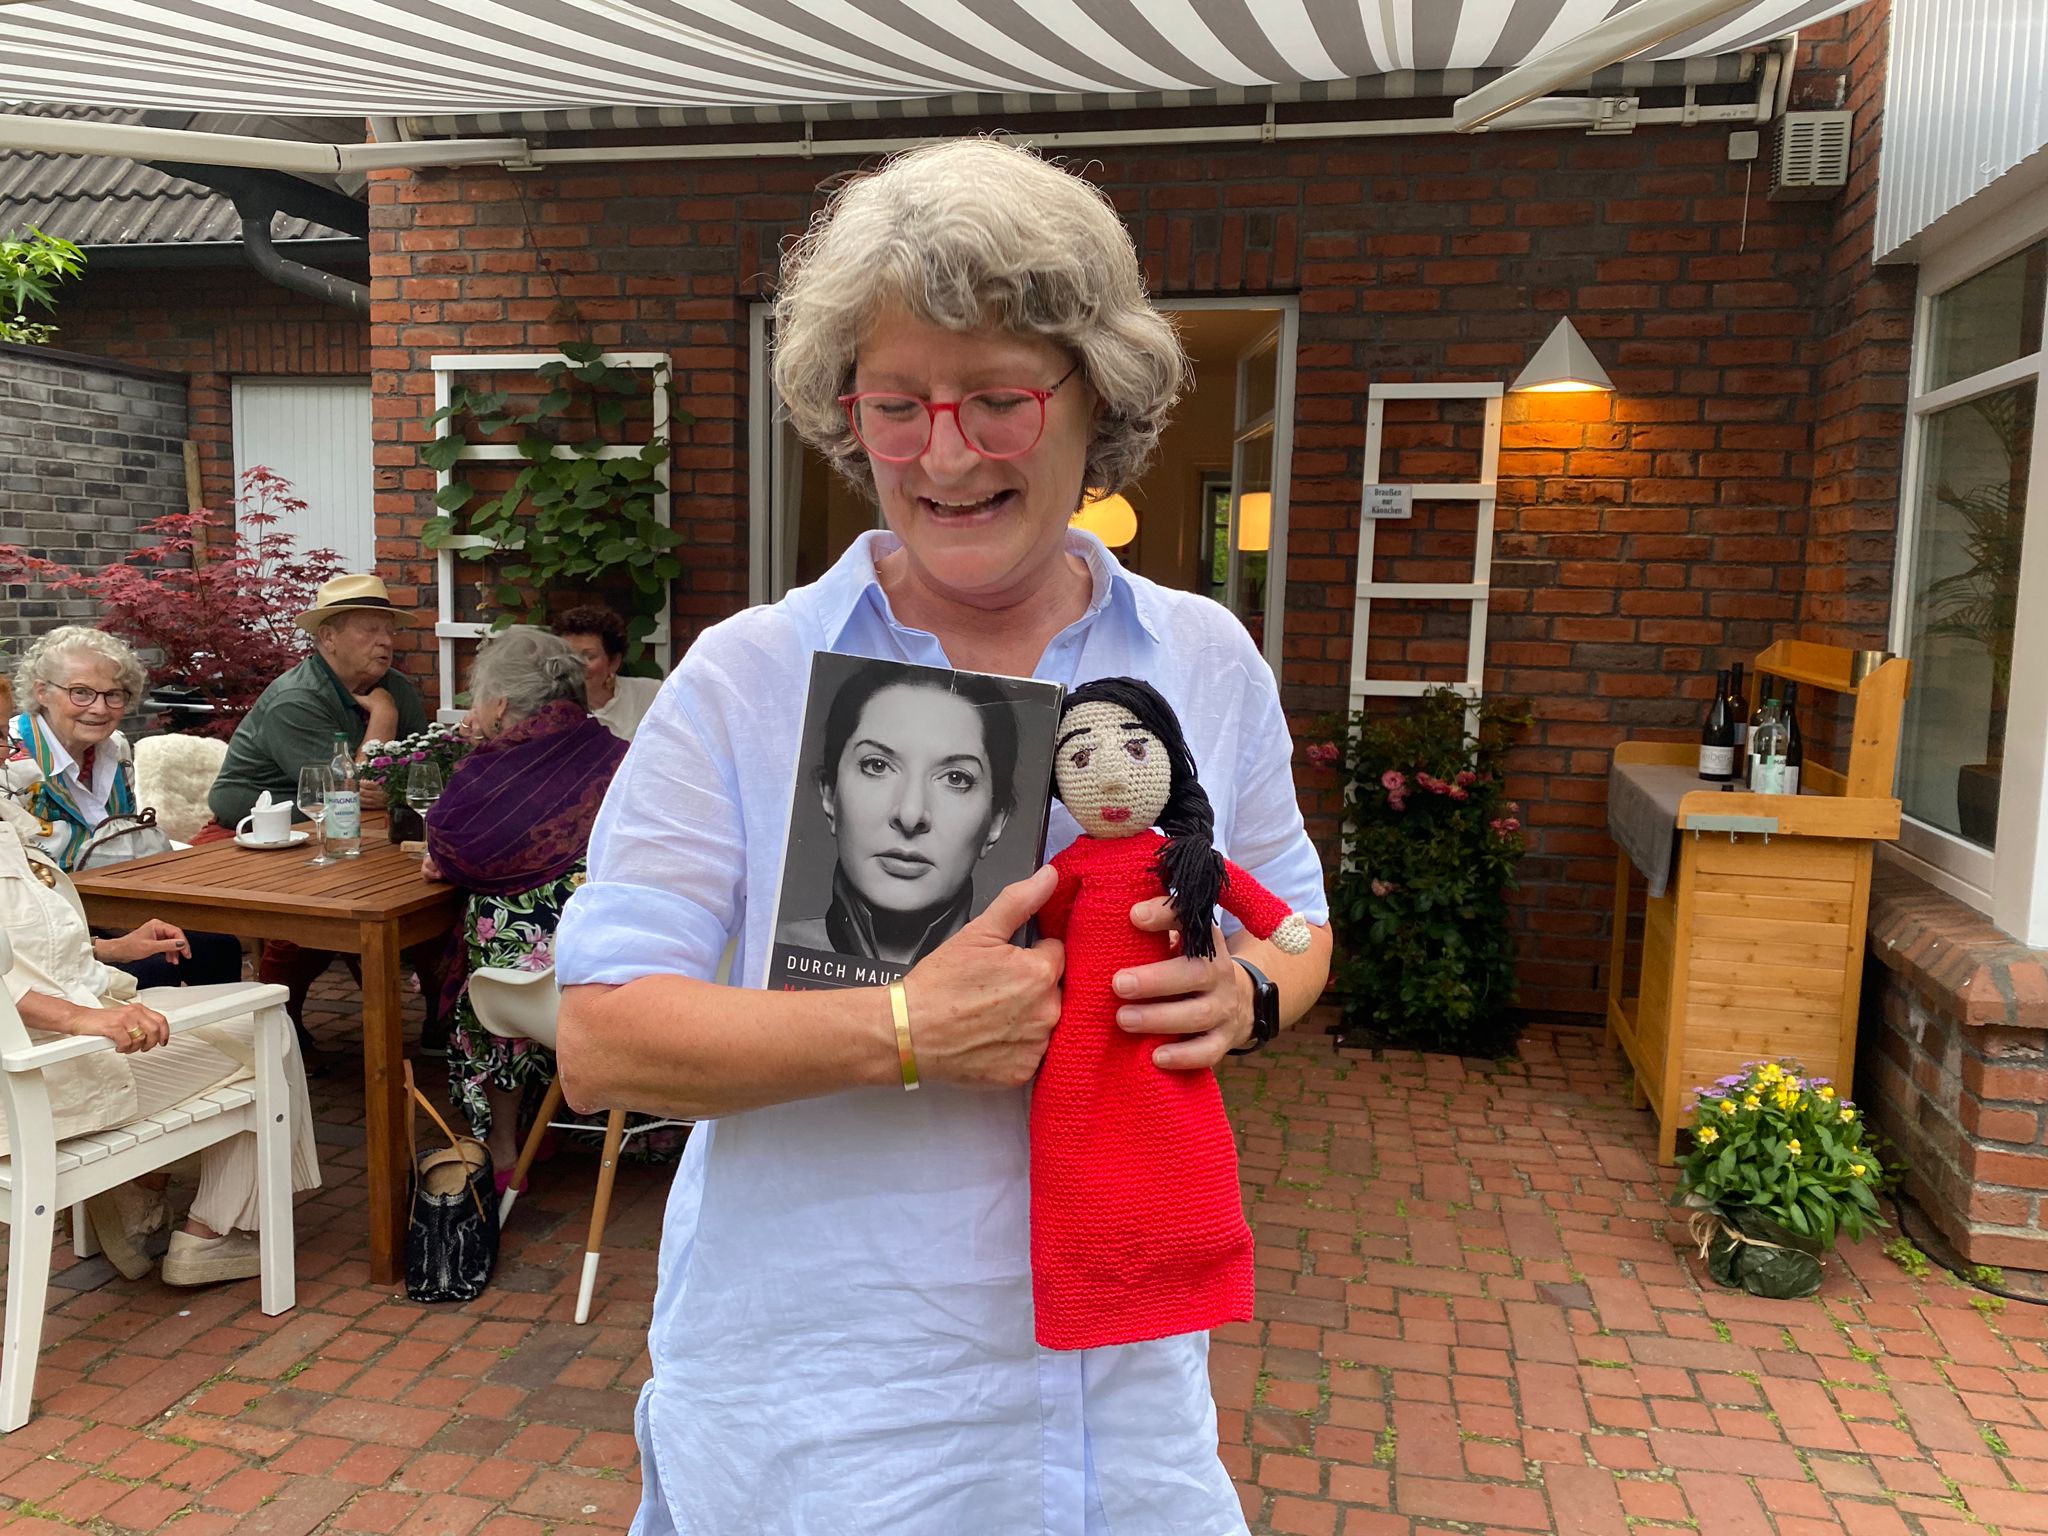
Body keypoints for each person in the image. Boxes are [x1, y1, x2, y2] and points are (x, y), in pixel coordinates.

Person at [555, 138, 1331, 1535]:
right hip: (830, 1402)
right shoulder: (750, 677)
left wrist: (1247, 998)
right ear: (848, 414)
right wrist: (905, 1028)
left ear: (1097, 398)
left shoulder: (1203, 659)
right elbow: (604, 1037)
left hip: (1122, 1400)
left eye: (997, 399)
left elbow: (1298, 926)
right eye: (898, 405)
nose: (946, 453)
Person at [0, 797, 321, 1285]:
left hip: (56, 1043)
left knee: (251, 1019)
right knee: (269, 1028)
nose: (10, 759)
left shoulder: (8, 817)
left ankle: (140, 1195)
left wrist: (114, 947)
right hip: (42, 1073)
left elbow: (22, 951)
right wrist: (82, 1018)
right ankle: (209, 1232)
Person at [421, 627, 627, 1182]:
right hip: (619, 968)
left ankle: (505, 1145)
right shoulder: (616, 754)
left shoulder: (490, 774)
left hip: (531, 990)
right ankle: (549, 1117)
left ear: (501, 704)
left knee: (495, 935)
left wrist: (443, 860)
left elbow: (456, 849)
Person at [205, 574, 431, 1042]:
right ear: (328, 637)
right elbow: (348, 790)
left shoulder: (396, 686)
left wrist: (383, 784)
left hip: (351, 824)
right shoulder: (298, 698)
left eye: (389, 630)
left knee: (432, 901)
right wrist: (384, 717)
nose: (386, 641)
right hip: (264, 824)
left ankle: (440, 1021)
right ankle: (277, 1023)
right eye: (370, 629)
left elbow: (417, 773)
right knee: (323, 908)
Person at [5, 626, 242, 987]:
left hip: (119, 907)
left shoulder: (115, 748)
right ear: (42, 692)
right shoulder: (11, 762)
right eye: (81, 692)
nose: (99, 708)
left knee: (215, 946)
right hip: (48, 932)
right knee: (160, 964)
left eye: (113, 694)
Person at [775, 658, 1018, 967]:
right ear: (829, 794)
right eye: (877, 765)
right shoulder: (770, 953)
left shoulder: (1023, 978)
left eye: (956, 778)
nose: (910, 815)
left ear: (996, 821)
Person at [556, 606, 663, 742]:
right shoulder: (550, 712)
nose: (575, 665)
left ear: (614, 662)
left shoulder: (651, 694)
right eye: (567, 655)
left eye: (588, 657)